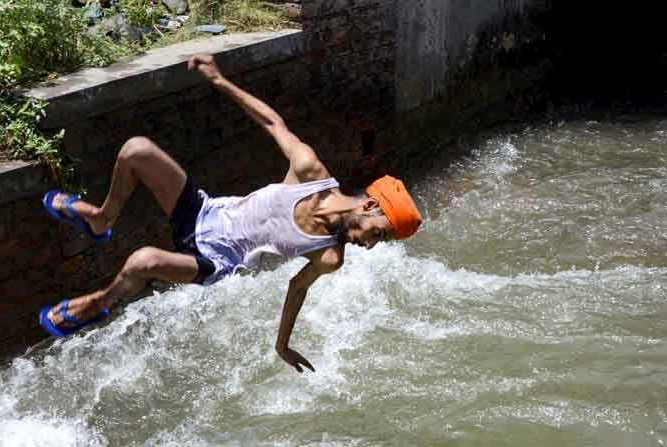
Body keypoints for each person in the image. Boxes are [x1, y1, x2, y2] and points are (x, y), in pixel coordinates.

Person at [39, 53, 422, 373]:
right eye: (379, 233)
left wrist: (282, 345)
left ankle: (99, 303)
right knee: (135, 150)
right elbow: (273, 123)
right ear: (370, 205)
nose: (370, 245)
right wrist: (219, 80)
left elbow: (297, 288)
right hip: (205, 213)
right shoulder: (309, 172)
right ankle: (102, 218)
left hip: (215, 262)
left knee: (143, 261)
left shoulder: (328, 255)